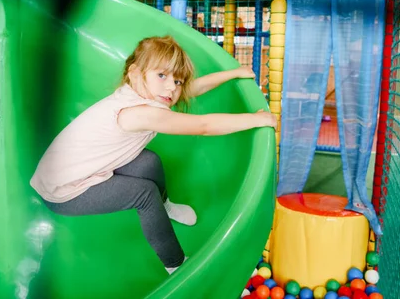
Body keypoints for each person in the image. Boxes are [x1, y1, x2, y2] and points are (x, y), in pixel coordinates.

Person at [30, 35, 277, 274]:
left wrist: (233, 73)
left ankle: (166, 207)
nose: (172, 86)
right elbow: (203, 126)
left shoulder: (142, 91)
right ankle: (175, 265)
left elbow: (190, 89)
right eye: (162, 75)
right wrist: (254, 119)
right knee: (145, 194)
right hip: (63, 190)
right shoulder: (138, 112)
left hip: (76, 168)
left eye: (177, 80)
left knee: (148, 161)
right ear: (135, 73)